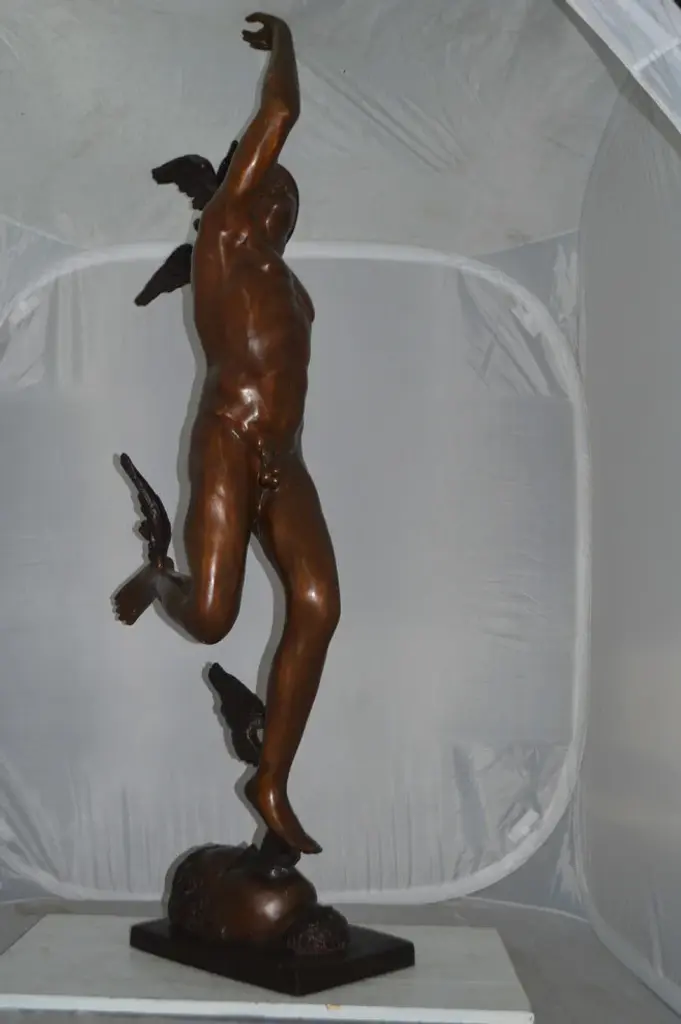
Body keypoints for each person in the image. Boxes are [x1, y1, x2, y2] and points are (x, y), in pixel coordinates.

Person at [114, 13, 340, 857]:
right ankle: (156, 576)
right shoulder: (225, 236)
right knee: (211, 618)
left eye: (290, 197)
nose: (282, 197)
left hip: (286, 461)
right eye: (268, 182)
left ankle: (270, 779)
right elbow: (280, 112)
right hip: (227, 442)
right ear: (240, 188)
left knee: (319, 605)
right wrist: (285, 41)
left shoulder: (294, 289)